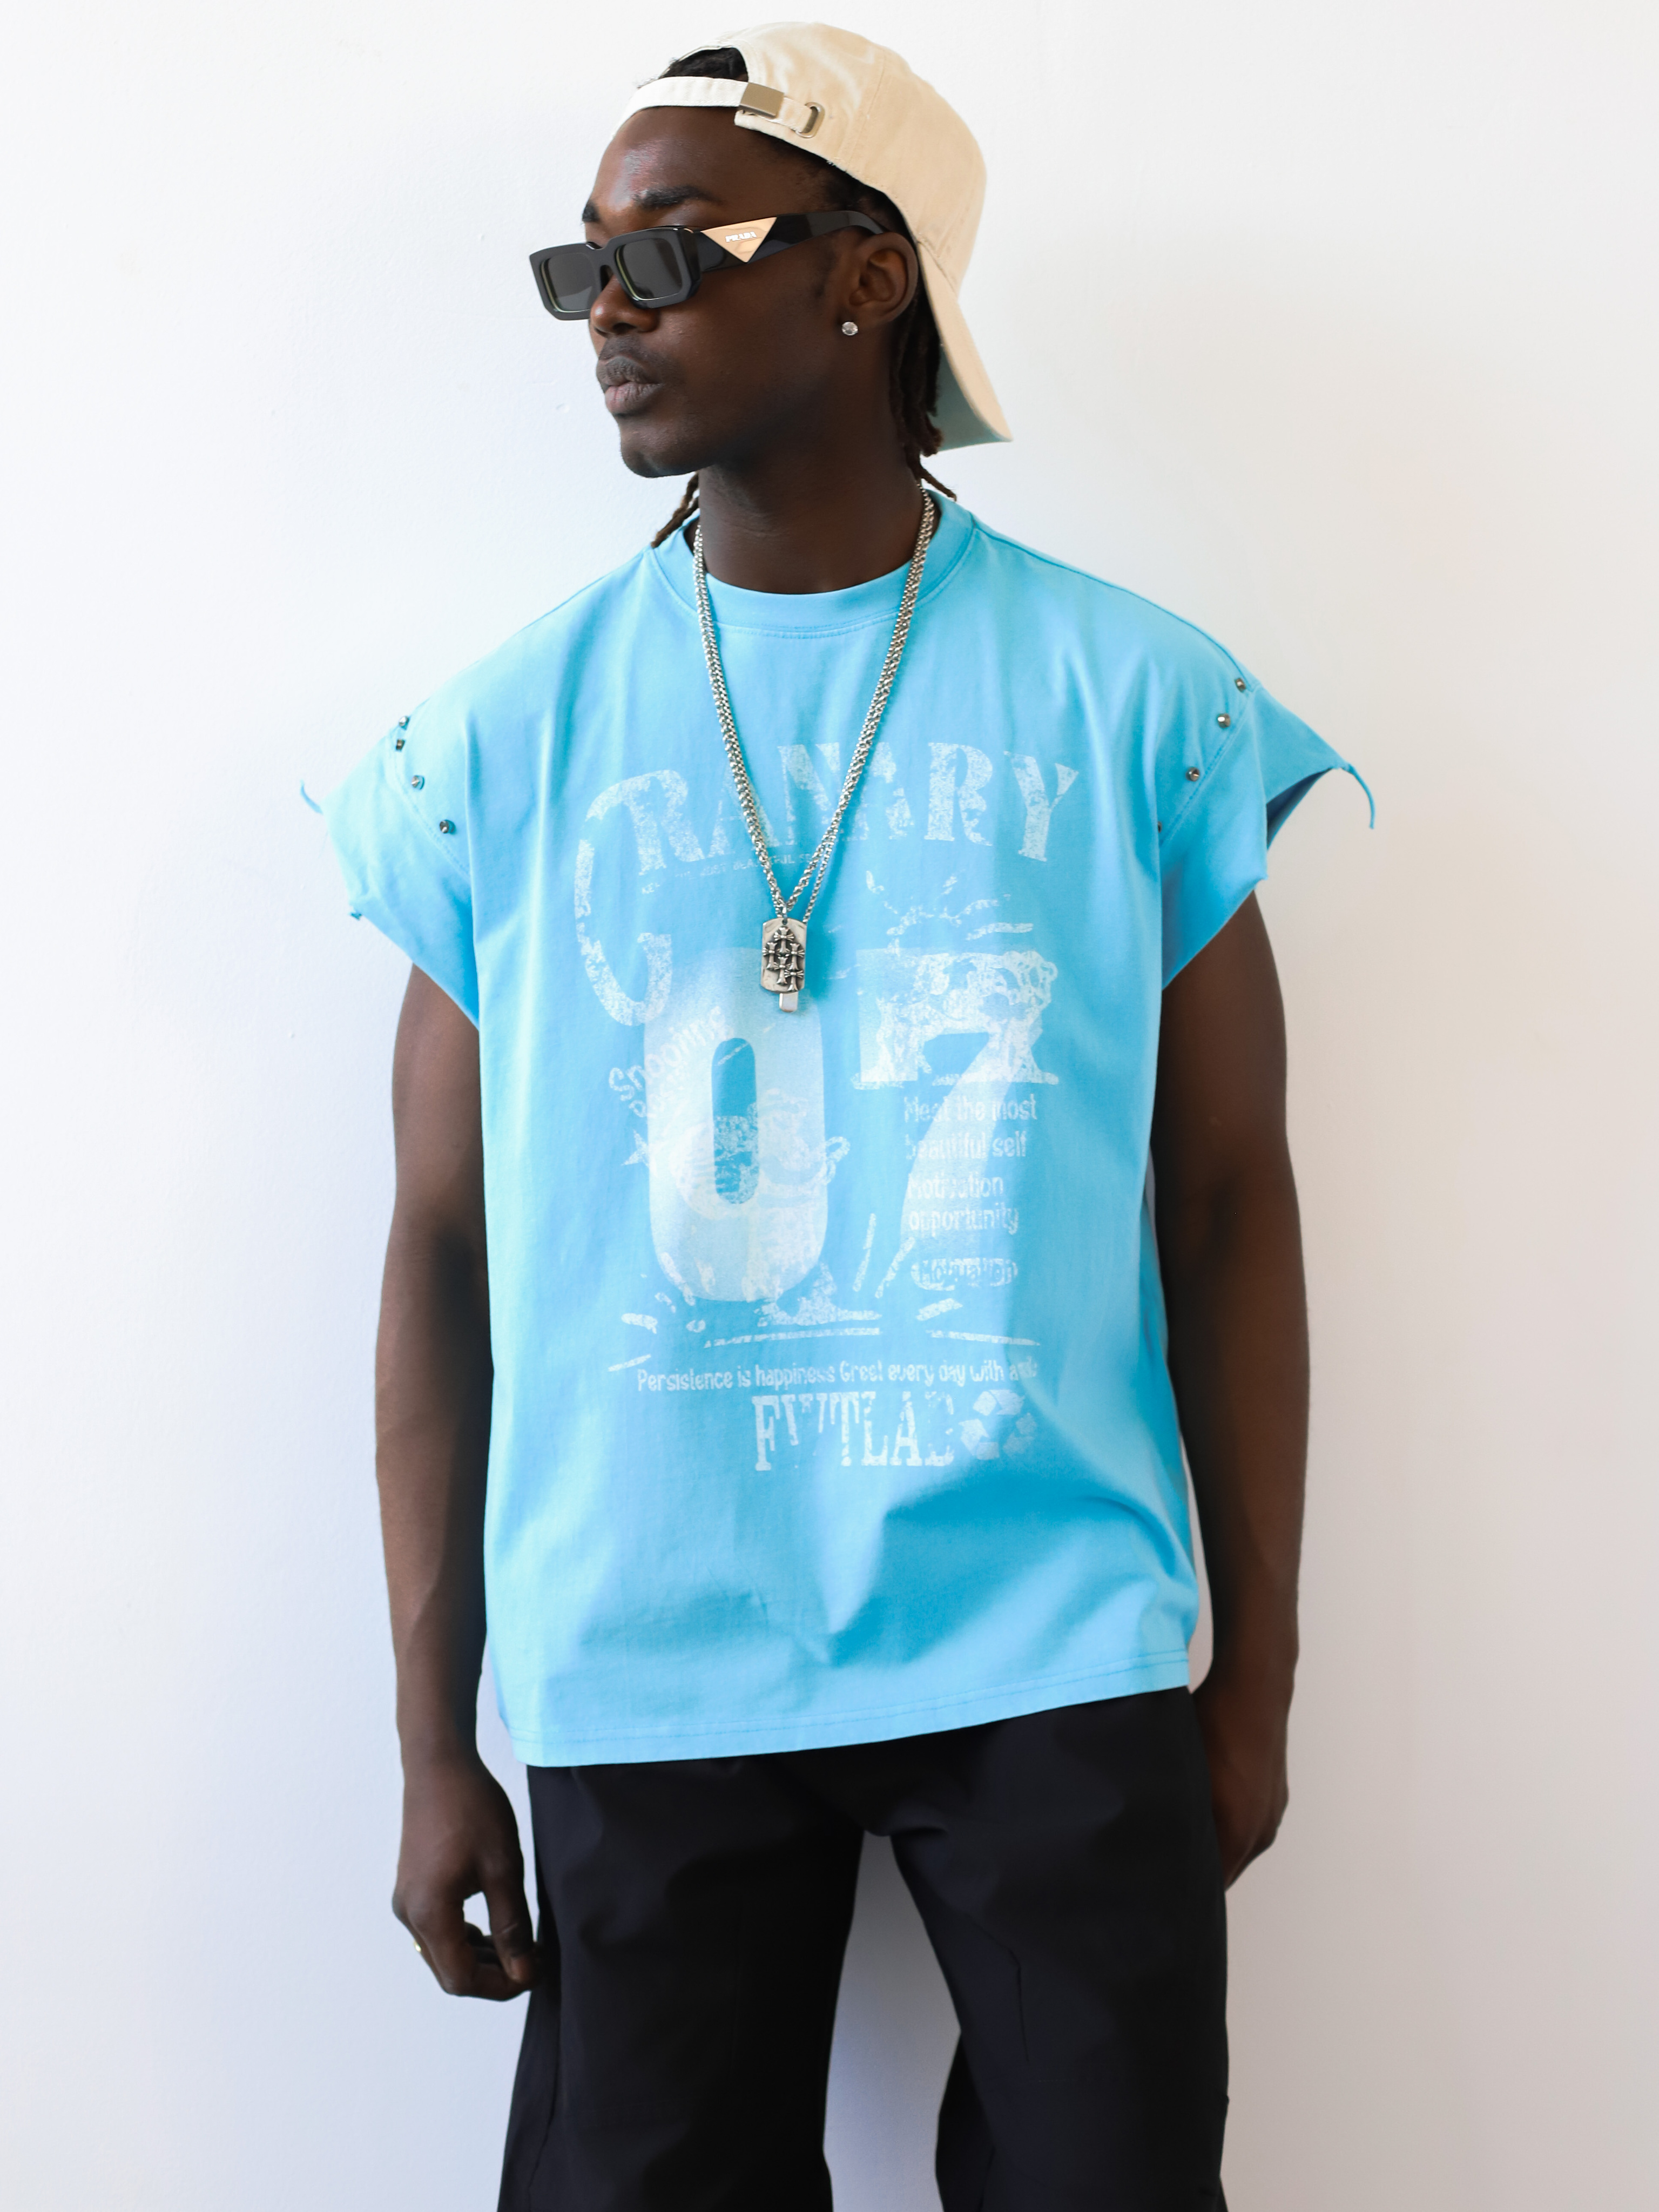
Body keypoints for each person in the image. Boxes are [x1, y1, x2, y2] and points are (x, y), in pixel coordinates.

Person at [321, 24, 1365, 2210]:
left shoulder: (1141, 704)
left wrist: (1254, 1674)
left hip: (1050, 1637)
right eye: (579, 269)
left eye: (666, 256)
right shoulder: (497, 745)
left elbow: (1227, 1201)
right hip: (648, 1648)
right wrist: (434, 1741)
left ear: (868, 278)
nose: (607, 316)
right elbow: (439, 1251)